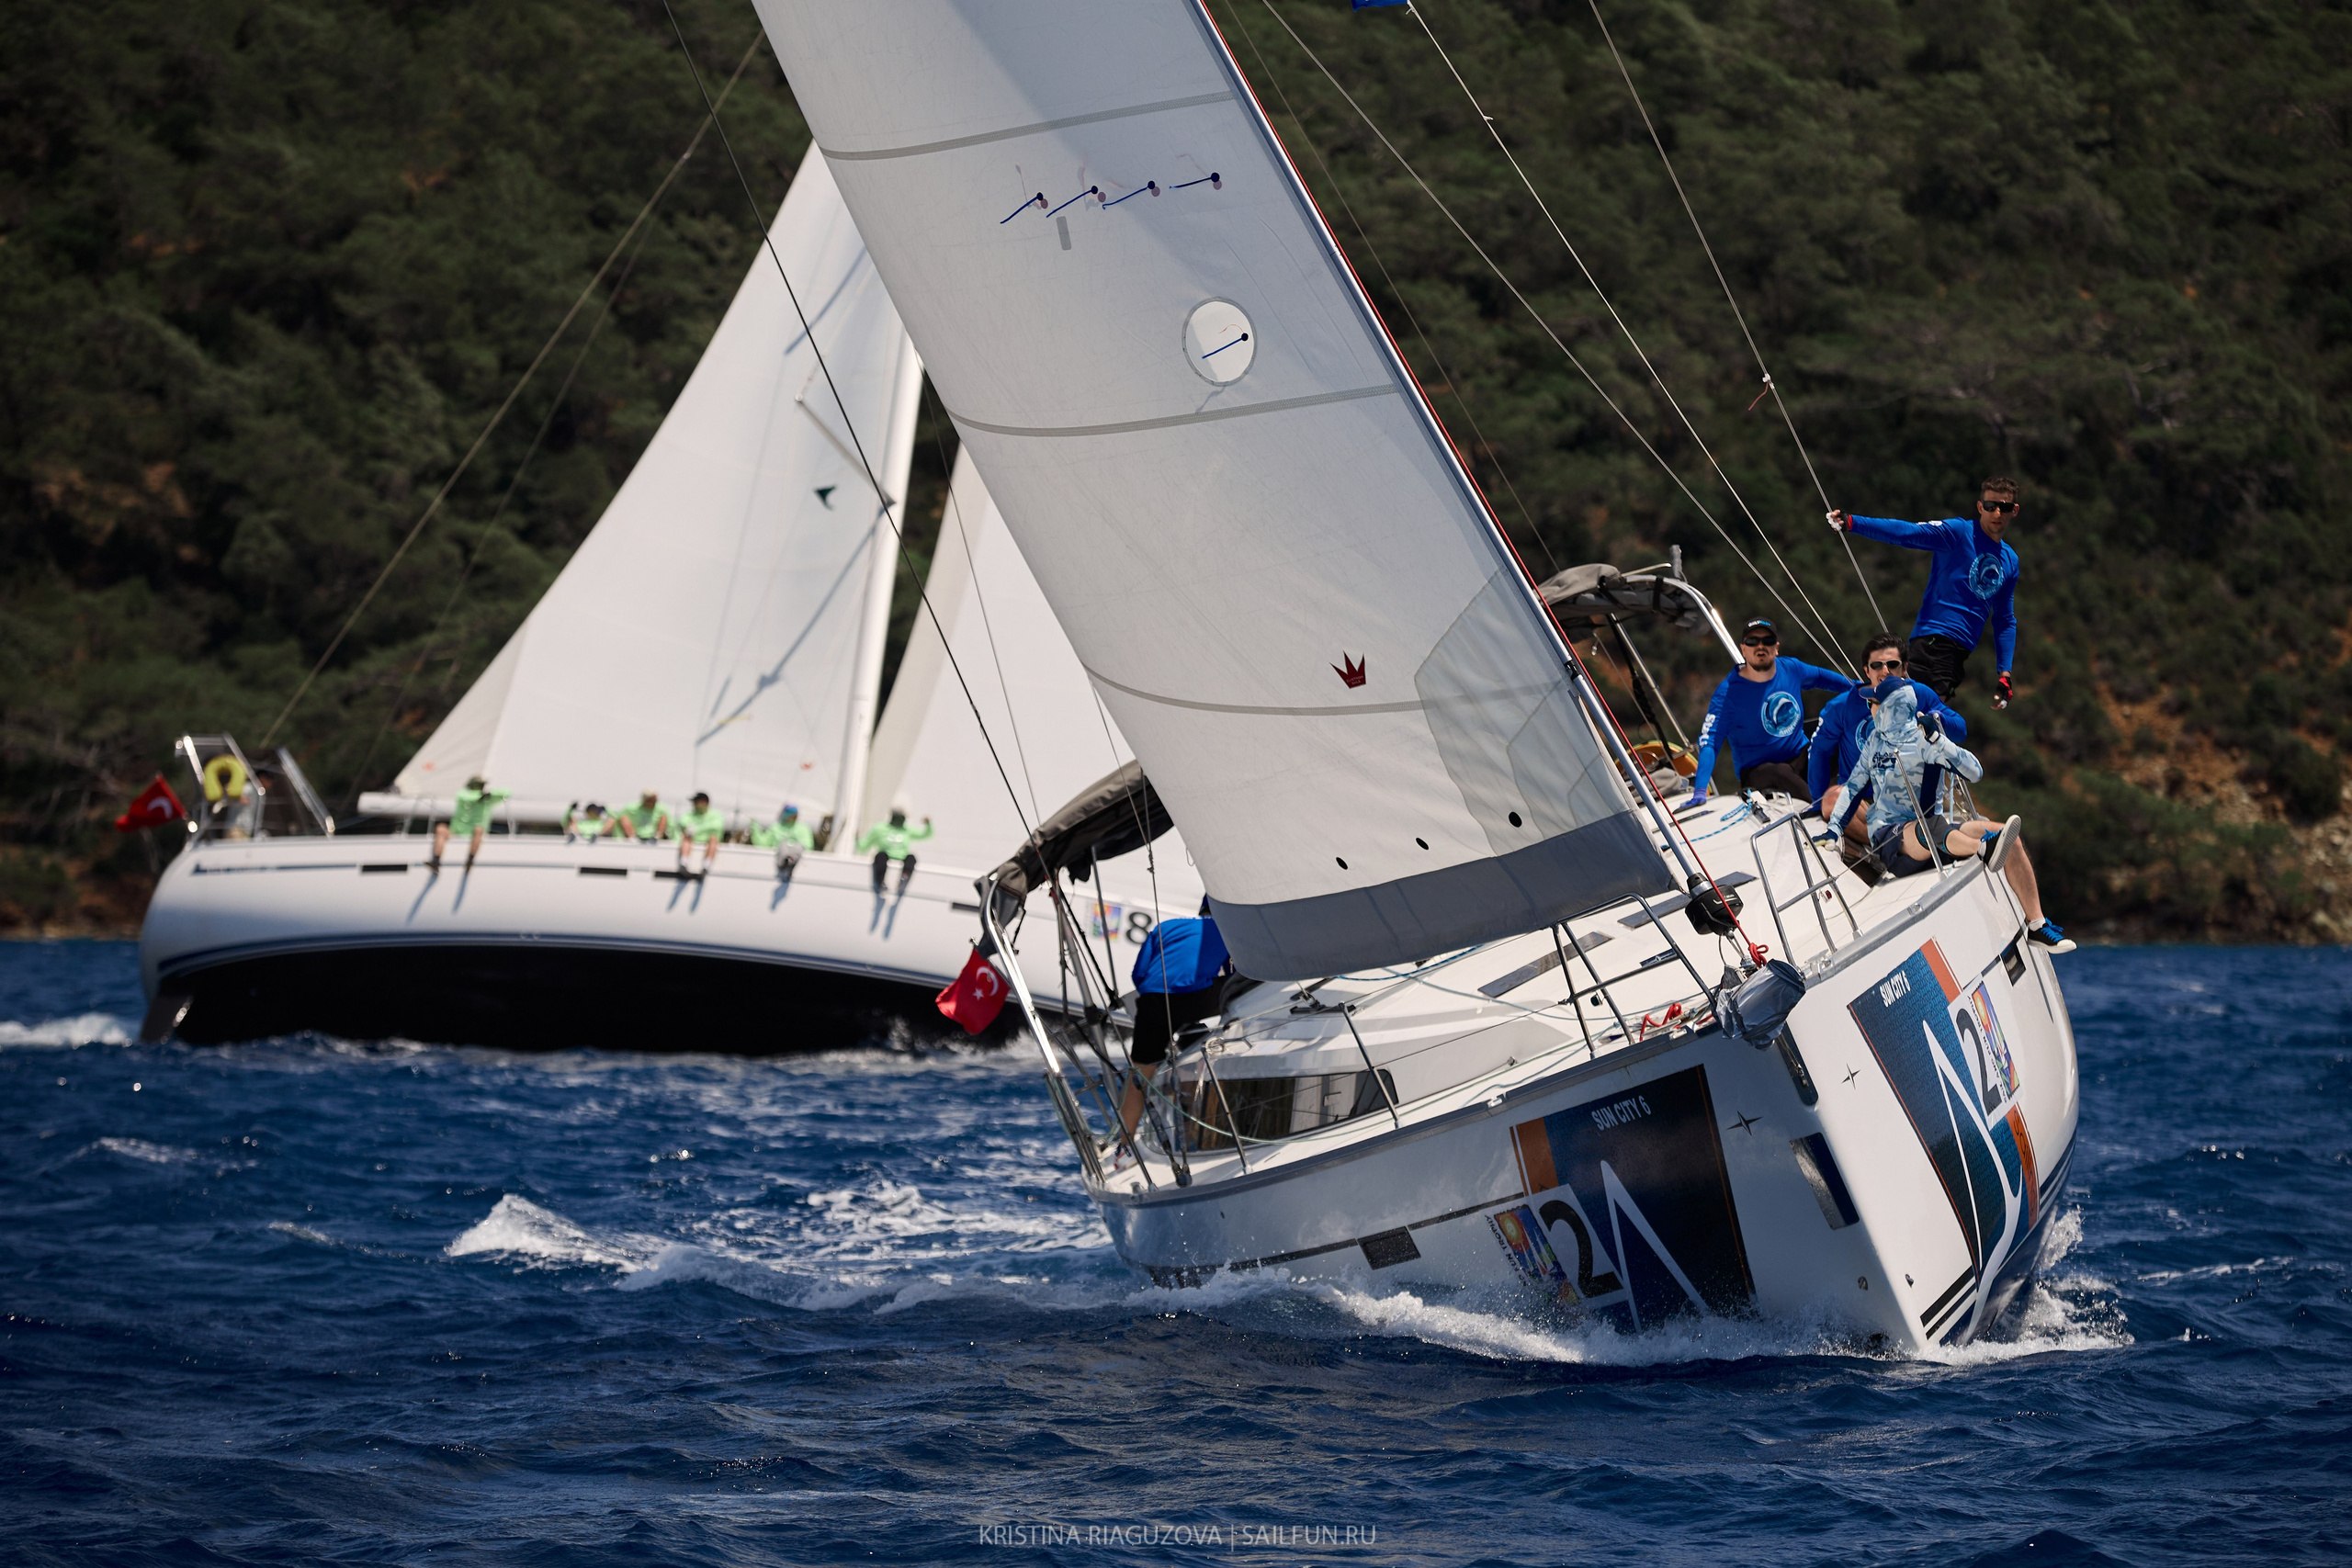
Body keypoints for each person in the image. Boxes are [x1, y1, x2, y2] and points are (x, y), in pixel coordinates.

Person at [1829, 682, 2072, 950]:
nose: (1869, 709)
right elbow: (1852, 788)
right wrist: (1833, 830)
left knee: (2008, 837)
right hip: (1891, 841)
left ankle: (2037, 925)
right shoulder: (1874, 742)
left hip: (1935, 836)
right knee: (1932, 827)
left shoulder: (1924, 739)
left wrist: (1939, 740)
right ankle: (1983, 849)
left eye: (1872, 704)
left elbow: (1975, 772)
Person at [1827, 477, 2022, 707]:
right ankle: (1845, 715)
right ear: (1980, 507)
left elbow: (2004, 620)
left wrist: (2005, 674)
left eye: (2005, 507)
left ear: (2014, 511)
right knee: (1922, 711)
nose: (1997, 513)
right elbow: (1907, 533)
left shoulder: (2010, 560)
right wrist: (1852, 522)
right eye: (1991, 506)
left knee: (1903, 710)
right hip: (1934, 638)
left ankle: (1858, 715)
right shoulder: (1959, 532)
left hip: (1959, 650)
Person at [1809, 634, 1969, 840]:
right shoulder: (1842, 706)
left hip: (1909, 800)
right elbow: (1820, 751)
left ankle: (1901, 840)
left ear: (1904, 669)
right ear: (1866, 671)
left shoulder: (1919, 694)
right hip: (1863, 804)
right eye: (1877, 665)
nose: (1885, 672)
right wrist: (1816, 802)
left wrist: (1934, 720)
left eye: (1893, 664)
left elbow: (1961, 730)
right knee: (1831, 799)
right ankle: (1883, 847)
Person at [1690, 618, 1853, 804]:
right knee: (1779, 773)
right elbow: (1709, 741)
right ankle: (1826, 808)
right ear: (1743, 649)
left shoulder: (1791, 668)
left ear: (1776, 648)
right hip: (1759, 773)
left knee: (1844, 740)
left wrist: (1862, 691)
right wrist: (1700, 790)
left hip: (1800, 758)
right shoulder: (1728, 694)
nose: (1760, 646)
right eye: (1752, 641)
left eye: (1767, 641)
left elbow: (1823, 678)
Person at [1119, 901, 1232, 1140]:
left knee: (1138, 1078)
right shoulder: (1229, 930)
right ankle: (1194, 1131)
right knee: (1236, 984)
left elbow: (1138, 974)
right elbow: (1232, 974)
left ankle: (1124, 1143)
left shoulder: (1165, 927)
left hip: (1153, 1004)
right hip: (1193, 1001)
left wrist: (1158, 1002)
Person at [431, 774, 511, 874]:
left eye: (480, 785)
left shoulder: (488, 799)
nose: (478, 787)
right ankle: (436, 861)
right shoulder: (463, 795)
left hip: (473, 834)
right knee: (441, 828)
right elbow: (463, 796)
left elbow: (507, 792)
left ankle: (470, 860)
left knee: (479, 830)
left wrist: (489, 794)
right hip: (455, 831)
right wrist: (480, 796)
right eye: (476, 785)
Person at [856, 806, 933, 894]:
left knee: (911, 858)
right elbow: (864, 845)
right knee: (880, 857)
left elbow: (925, 835)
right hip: (886, 855)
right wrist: (856, 840)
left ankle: (904, 877)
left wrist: (928, 824)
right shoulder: (880, 828)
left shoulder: (907, 830)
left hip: (902, 856)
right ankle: (881, 883)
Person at [752, 803, 816, 881]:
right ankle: (783, 864)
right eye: (789, 813)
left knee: (797, 847)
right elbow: (762, 844)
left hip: (797, 856)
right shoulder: (776, 827)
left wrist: (792, 844)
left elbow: (808, 846)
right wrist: (754, 827)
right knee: (783, 846)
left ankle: (790, 863)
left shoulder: (803, 828)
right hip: (778, 857)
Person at [673, 792, 728, 877]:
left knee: (713, 839)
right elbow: (682, 822)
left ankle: (706, 865)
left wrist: (696, 830)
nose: (693, 804)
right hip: (691, 840)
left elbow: (717, 827)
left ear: (703, 802)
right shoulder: (690, 814)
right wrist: (691, 829)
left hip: (708, 842)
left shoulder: (715, 815)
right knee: (686, 838)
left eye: (695, 802)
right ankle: (684, 863)